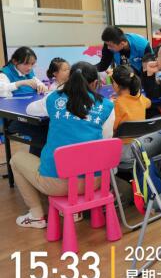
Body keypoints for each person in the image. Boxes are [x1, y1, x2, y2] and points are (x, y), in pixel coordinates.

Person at [10, 62, 115, 228]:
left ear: (69, 79)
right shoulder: (108, 105)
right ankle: (75, 208)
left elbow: (30, 109)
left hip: (57, 184)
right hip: (95, 181)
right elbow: (106, 139)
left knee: (16, 159)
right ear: (95, 83)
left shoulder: (54, 98)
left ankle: (36, 215)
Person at [0, 47, 49, 156]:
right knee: (42, 132)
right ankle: (35, 162)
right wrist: (20, 83)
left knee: (50, 126)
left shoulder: (29, 72)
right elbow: (2, 90)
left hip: (32, 113)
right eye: (26, 64)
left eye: (32, 64)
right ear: (15, 61)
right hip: (14, 120)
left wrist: (41, 86)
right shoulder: (5, 73)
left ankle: (42, 160)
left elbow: (40, 84)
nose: (29, 67)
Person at [111, 65, 151, 164]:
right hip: (140, 147)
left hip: (123, 152)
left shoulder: (117, 104)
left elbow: (113, 129)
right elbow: (149, 103)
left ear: (116, 85)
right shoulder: (140, 98)